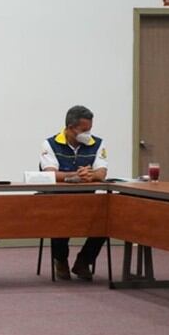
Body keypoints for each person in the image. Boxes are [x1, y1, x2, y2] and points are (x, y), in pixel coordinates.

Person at [40, 105, 108, 281]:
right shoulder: (50, 144)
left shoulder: (98, 143)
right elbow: (50, 174)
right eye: (84, 130)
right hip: (59, 199)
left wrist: (91, 175)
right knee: (60, 218)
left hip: (87, 199)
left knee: (107, 219)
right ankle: (61, 260)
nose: (88, 134)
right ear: (70, 128)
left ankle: (84, 261)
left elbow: (101, 172)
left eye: (90, 129)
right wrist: (75, 175)